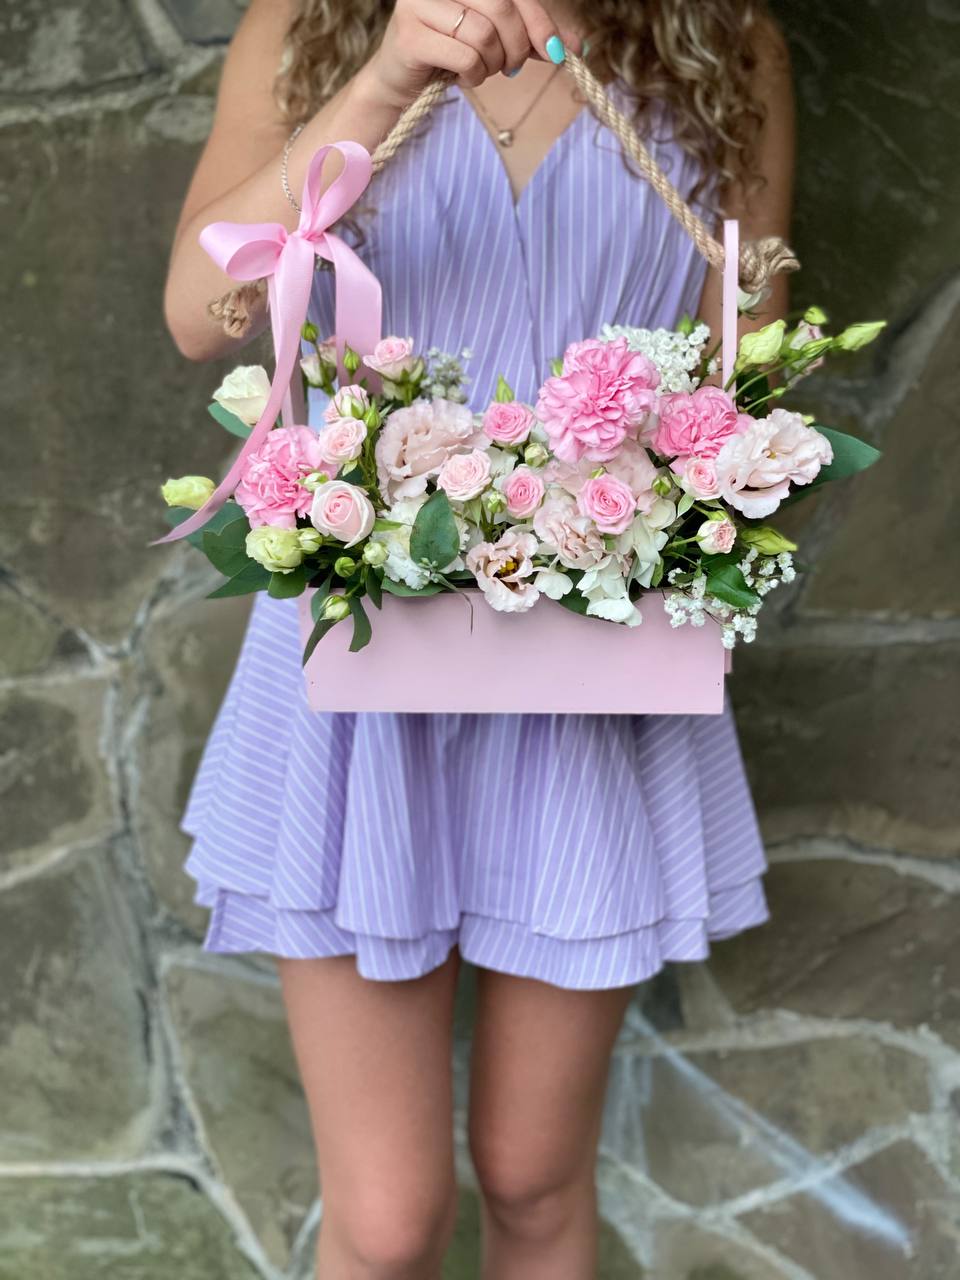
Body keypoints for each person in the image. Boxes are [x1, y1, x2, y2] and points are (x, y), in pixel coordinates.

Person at [163, 2, 794, 1276]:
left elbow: (753, 364)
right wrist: (389, 69)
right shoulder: (306, 25)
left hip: (590, 669)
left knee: (533, 1174)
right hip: (361, 664)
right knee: (388, 1217)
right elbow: (200, 312)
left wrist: (680, 486)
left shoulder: (724, 39)